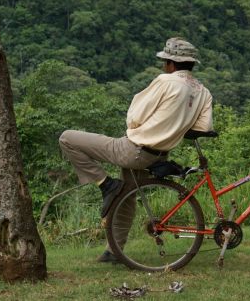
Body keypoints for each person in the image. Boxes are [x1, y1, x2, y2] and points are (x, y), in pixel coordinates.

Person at [59, 37, 213, 263]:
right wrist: (175, 124)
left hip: (133, 150)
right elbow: (203, 128)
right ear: (190, 64)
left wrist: (148, 126)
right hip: (158, 156)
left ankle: (105, 183)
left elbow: (134, 117)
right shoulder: (203, 92)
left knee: (68, 139)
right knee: (126, 196)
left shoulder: (165, 81)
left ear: (170, 63)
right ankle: (113, 251)